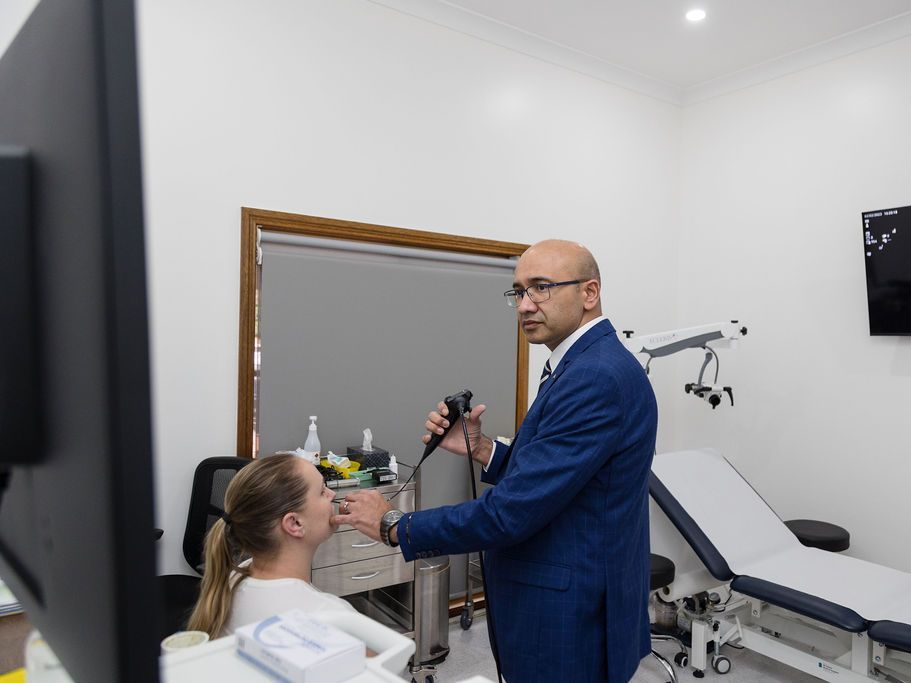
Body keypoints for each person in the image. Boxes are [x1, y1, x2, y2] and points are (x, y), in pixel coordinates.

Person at [338, 240, 658, 682]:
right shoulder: (580, 364)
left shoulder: (595, 376)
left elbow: (510, 514)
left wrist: (394, 525)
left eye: (541, 288)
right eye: (519, 291)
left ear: (589, 292)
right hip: (568, 593)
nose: (524, 305)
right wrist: (483, 448)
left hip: (569, 610)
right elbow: (561, 478)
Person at [188, 454, 354, 638]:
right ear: (295, 523)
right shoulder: (334, 617)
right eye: (322, 491)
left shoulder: (236, 576)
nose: (332, 494)